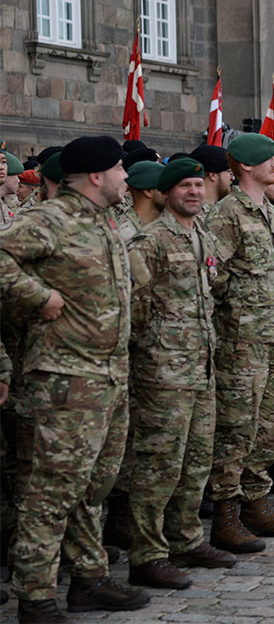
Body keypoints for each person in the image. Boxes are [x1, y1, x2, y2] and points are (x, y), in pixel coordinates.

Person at [1, 135, 150, 621]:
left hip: (108, 377)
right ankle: (35, 594)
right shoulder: (51, 218)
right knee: (52, 491)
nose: (126, 177)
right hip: (65, 379)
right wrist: (37, 296)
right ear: (96, 175)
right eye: (120, 169)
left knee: (91, 487)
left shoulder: (102, 220)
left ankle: (88, 578)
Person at [125, 158, 236, 591]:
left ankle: (186, 540)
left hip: (201, 369)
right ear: (165, 193)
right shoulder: (150, 241)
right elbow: (134, 312)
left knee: (196, 462)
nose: (193, 192)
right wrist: (151, 358)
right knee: (159, 467)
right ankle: (147, 555)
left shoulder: (202, 237)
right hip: (162, 374)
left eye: (197, 184)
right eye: (184, 186)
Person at [205, 132, 274, 554]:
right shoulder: (228, 214)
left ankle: (256, 503)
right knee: (237, 429)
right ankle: (226, 515)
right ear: (245, 165)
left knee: (271, 426)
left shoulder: (271, 213)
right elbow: (212, 277)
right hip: (242, 341)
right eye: (269, 159)